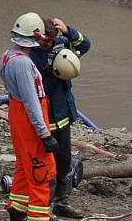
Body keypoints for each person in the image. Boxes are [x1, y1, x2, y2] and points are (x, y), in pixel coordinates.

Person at [31, 17, 90, 219]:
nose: (47, 44)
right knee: (43, 165)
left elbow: (85, 45)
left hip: (63, 116)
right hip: (43, 122)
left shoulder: (61, 43)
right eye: (43, 41)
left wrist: (67, 31)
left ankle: (61, 202)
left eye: (50, 40)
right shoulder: (31, 56)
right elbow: (40, 90)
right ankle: (42, 205)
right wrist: (55, 74)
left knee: (64, 162)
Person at [0, 12, 58, 221]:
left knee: (24, 166)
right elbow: (31, 100)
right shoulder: (23, 63)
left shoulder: (9, 55)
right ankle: (38, 216)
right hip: (29, 119)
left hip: (17, 115)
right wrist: (44, 134)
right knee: (40, 171)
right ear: (34, 36)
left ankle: (17, 211)